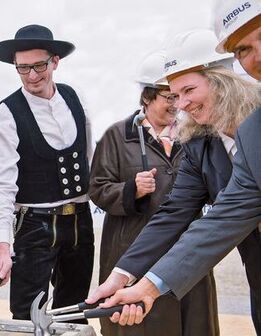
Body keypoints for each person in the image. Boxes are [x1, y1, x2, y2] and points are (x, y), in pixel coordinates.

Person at [87, 14, 261, 331]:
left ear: (224, 79)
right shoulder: (200, 145)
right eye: (174, 95)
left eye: (188, 90)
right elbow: (175, 213)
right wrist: (123, 274)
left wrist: (148, 286)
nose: (182, 104)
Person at [89, 49, 220, 336]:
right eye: (169, 96)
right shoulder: (116, 136)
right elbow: (97, 188)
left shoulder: (196, 134)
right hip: (134, 250)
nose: (177, 104)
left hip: (188, 250)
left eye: (180, 95)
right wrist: (130, 190)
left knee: (196, 323)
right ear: (147, 97)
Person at [0, 24, 94, 322]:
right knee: (27, 314)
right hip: (34, 224)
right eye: (23, 68)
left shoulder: (74, 97)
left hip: (79, 221)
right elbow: (1, 185)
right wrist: (3, 246)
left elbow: (88, 155)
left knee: (74, 311)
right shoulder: (6, 113)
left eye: (39, 66)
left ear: (55, 62)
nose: (32, 76)